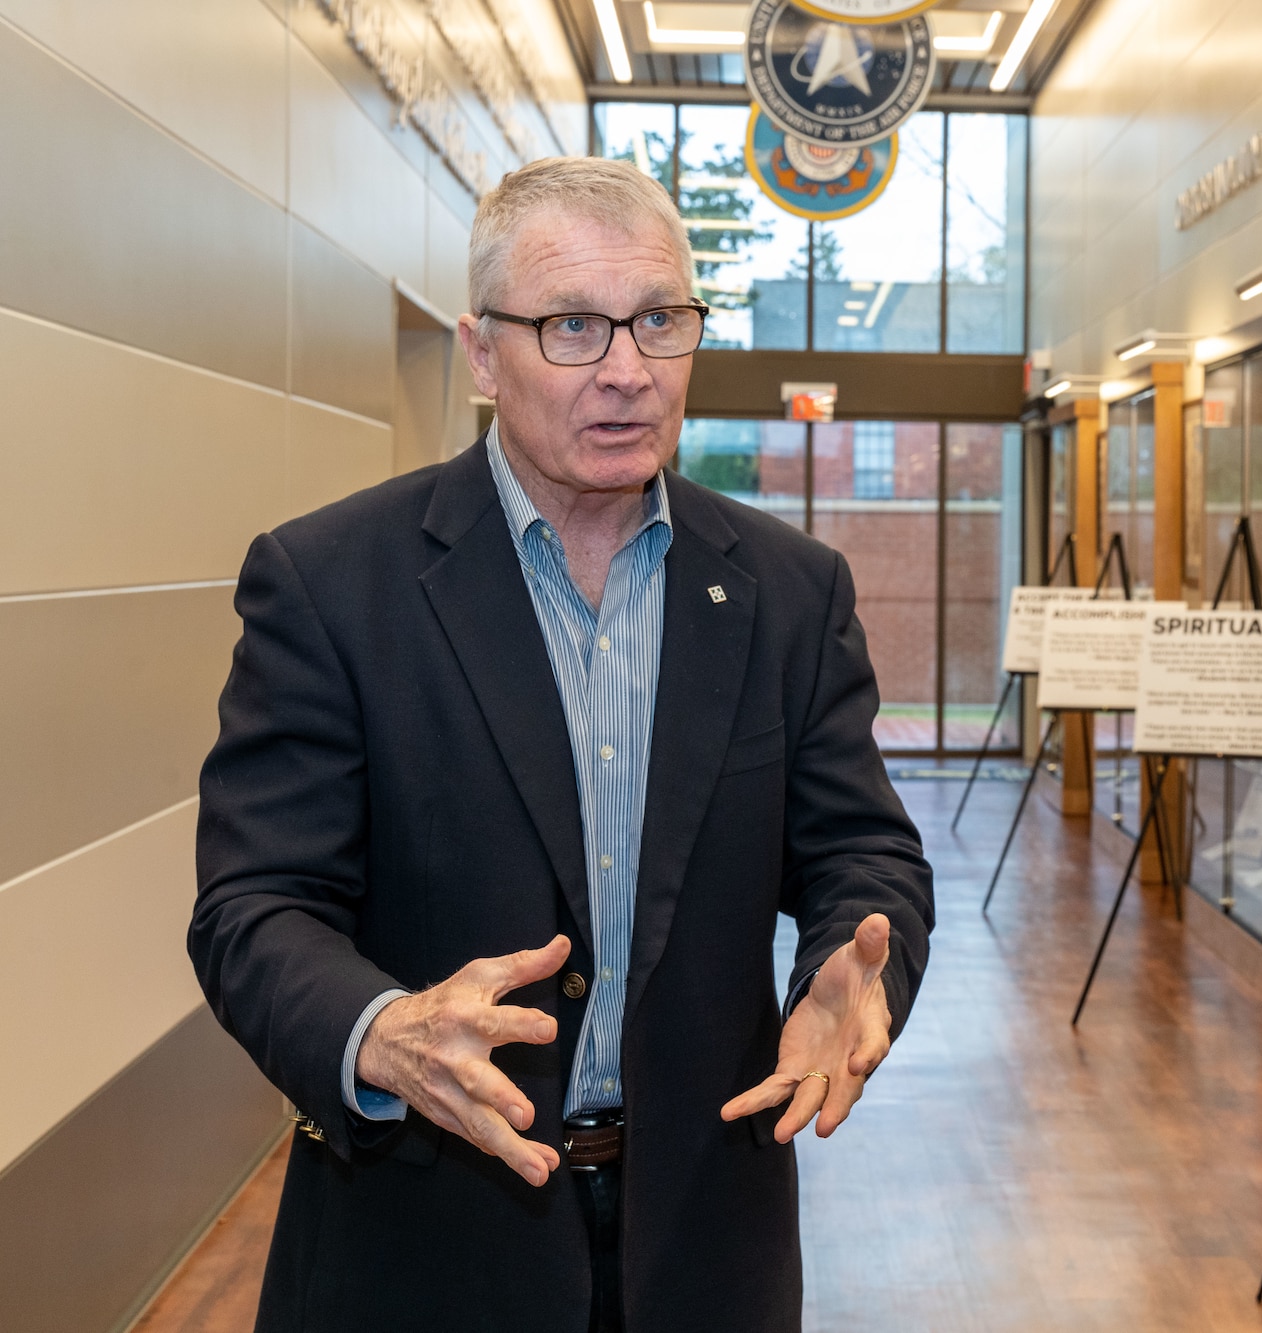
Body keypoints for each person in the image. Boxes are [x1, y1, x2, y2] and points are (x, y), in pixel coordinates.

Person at [188, 156, 934, 1333]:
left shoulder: (789, 592)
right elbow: (252, 908)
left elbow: (861, 853)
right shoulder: (332, 584)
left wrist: (857, 965)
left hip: (706, 1246)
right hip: (419, 1251)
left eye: (659, 322)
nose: (628, 370)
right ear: (483, 354)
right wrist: (383, 1032)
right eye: (572, 326)